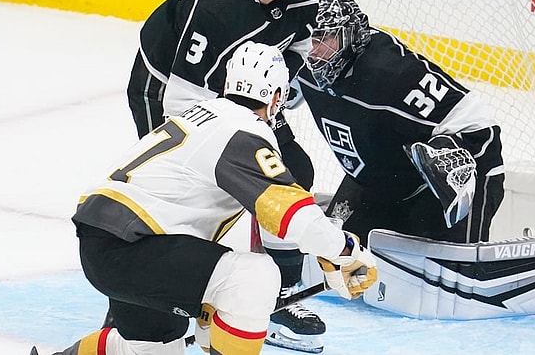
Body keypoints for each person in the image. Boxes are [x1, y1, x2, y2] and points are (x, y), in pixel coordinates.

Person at [30, 42, 376, 355]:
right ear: (276, 97)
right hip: (134, 246)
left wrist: (217, 307)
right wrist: (343, 251)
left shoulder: (202, 116)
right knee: (255, 279)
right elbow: (290, 213)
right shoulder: (244, 130)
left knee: (151, 352)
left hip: (111, 244)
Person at [122, 0, 330, 350]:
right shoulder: (217, 6)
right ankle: (137, 312)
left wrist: (269, 99)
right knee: (182, 199)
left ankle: (279, 295)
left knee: (294, 173)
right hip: (163, 87)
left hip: (245, 90)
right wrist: (224, 146)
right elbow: (181, 102)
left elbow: (295, 47)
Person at [297, 0, 506, 246]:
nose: (315, 51)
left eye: (326, 38)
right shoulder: (302, 63)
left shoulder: (391, 73)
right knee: (331, 253)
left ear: (353, 36)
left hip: (436, 191)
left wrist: (451, 155)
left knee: (453, 275)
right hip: (375, 184)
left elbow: (480, 128)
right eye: (312, 38)